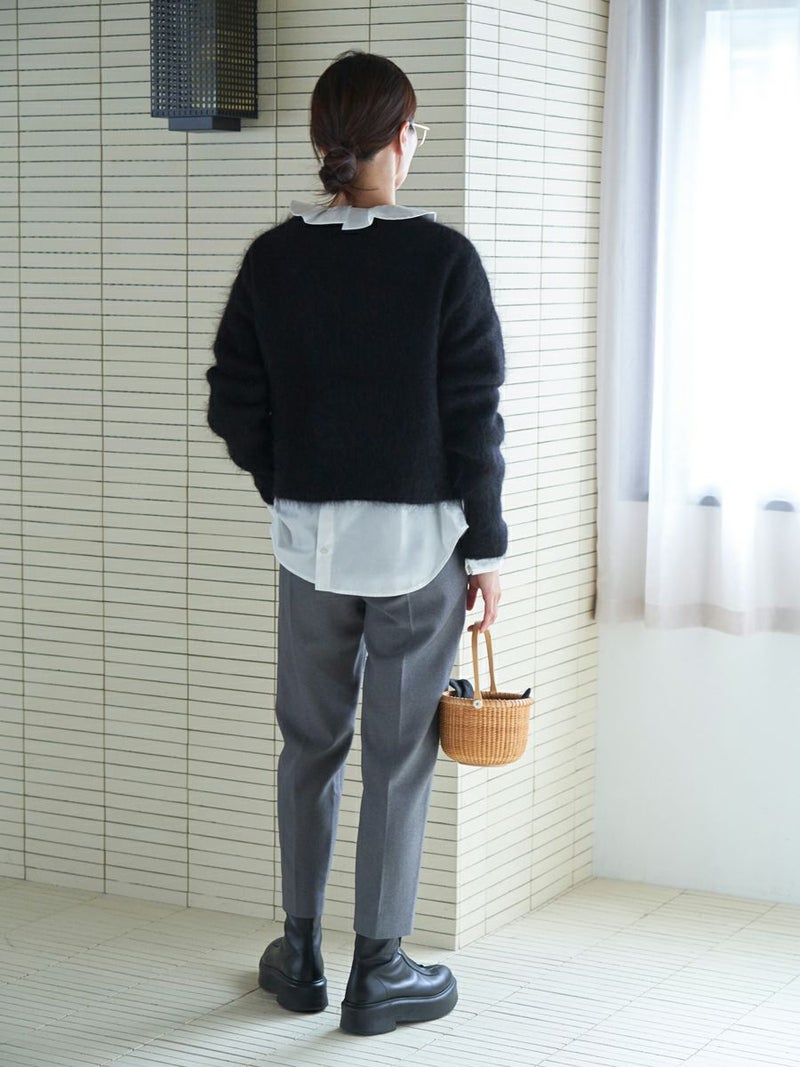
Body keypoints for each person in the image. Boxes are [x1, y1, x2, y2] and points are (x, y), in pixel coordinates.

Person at [205, 50, 508, 1037]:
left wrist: (290, 484)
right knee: (397, 757)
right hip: (421, 548)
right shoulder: (444, 260)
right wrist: (486, 552)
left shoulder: (274, 258)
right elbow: (473, 420)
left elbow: (233, 401)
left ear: (324, 141)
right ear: (400, 139)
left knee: (308, 745)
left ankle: (298, 955)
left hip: (310, 547)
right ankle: (380, 969)